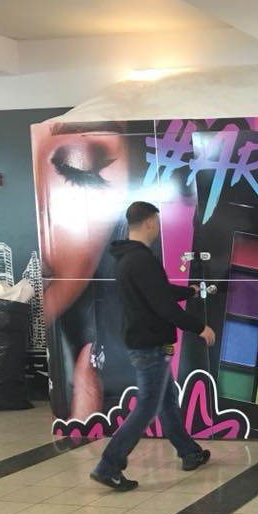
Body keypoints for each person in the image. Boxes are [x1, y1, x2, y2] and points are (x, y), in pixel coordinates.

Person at [90, 201, 216, 491]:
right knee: (147, 407)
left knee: (166, 402)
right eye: (157, 223)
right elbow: (164, 307)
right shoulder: (142, 260)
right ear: (148, 222)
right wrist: (200, 328)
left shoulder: (128, 258)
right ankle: (109, 466)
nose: (158, 228)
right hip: (151, 346)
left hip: (148, 344)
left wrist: (188, 291)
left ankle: (189, 452)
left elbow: (159, 291)